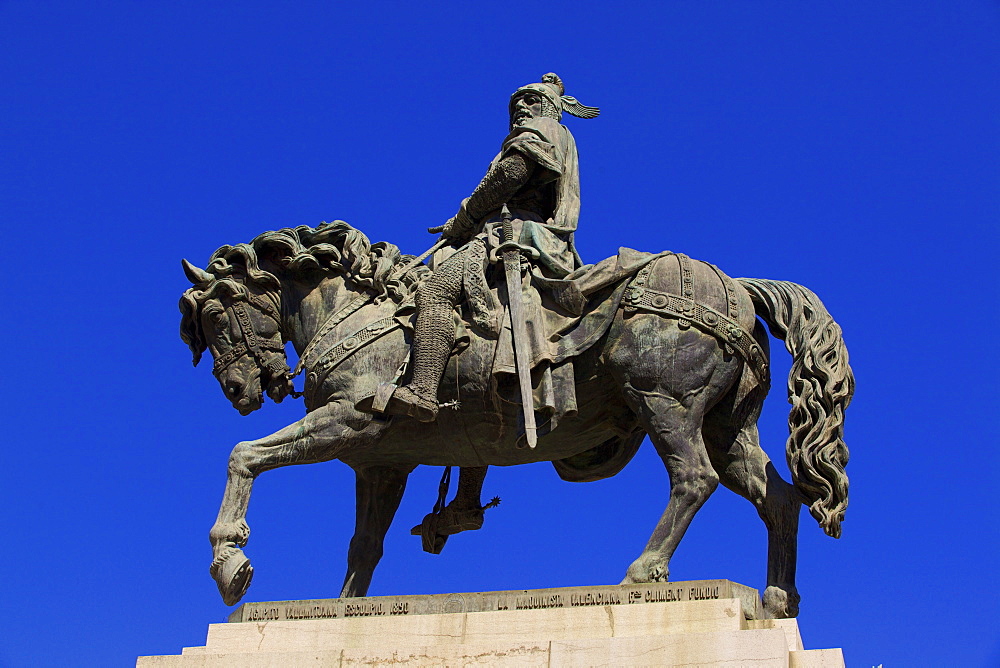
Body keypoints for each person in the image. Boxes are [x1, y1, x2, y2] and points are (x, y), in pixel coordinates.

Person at [384, 72, 600, 422]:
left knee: (435, 293)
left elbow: (512, 174)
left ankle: (422, 390)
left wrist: (465, 217)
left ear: (549, 107)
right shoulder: (558, 135)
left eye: (530, 101)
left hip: (511, 233)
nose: (520, 109)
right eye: (516, 104)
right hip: (522, 232)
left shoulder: (544, 128)